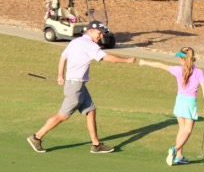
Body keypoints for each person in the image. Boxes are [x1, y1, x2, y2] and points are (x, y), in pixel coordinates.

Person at [27, 21, 136, 153]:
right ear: (90, 31)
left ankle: (96, 145)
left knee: (91, 111)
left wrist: (60, 75)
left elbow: (63, 57)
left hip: (77, 85)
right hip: (75, 87)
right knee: (63, 115)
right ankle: (36, 137)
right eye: (99, 32)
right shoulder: (89, 45)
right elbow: (106, 58)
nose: (101, 36)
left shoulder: (75, 42)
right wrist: (127, 60)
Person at [139, 47, 204, 166]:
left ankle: (179, 157)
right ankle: (175, 150)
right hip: (190, 102)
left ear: (183, 59)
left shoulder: (178, 70)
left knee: (182, 129)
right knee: (187, 130)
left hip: (179, 101)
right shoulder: (199, 72)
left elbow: (160, 65)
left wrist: (145, 62)